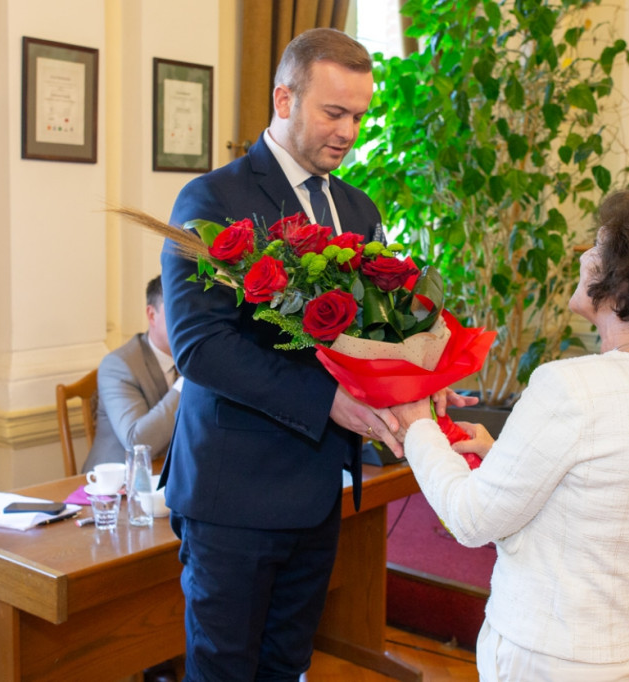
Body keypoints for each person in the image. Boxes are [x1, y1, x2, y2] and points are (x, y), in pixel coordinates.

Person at [390, 190, 629, 681]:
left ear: (625, 282)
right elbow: (610, 496)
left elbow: (470, 519)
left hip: (549, 657)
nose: (584, 256)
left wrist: (416, 420)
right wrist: (502, 456)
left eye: (597, 246)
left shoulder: (571, 386)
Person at [160, 28, 409, 681]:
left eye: (360, 115)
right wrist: (332, 401)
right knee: (224, 671)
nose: (350, 131)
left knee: (288, 667)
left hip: (318, 489)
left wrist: (416, 378)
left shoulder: (359, 209)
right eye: (334, 112)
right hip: (232, 492)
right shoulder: (213, 200)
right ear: (284, 98)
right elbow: (201, 347)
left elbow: (373, 332)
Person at [81, 275, 181, 473]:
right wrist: (187, 382)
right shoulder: (119, 365)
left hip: (171, 477)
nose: (188, 322)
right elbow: (138, 442)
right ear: (152, 315)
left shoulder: (198, 357)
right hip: (116, 489)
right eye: (178, 311)